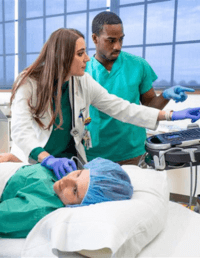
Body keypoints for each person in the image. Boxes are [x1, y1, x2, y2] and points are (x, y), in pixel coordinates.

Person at [3, 28, 200, 178]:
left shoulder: (81, 81)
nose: (87, 58)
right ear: (61, 57)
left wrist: (171, 115)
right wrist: (47, 159)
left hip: (70, 162)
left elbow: (121, 108)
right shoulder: (28, 82)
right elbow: (20, 131)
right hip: (38, 160)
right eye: (80, 54)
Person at [85, 11, 196, 165]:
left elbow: (149, 106)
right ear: (95, 38)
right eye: (110, 40)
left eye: (120, 39)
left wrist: (165, 95)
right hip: (95, 155)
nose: (117, 46)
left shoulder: (137, 65)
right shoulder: (83, 71)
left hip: (132, 152)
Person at [0, 157, 133, 238]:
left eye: (74, 190)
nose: (67, 180)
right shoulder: (60, 173)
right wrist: (15, 160)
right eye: (78, 174)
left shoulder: (38, 209)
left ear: (81, 206)